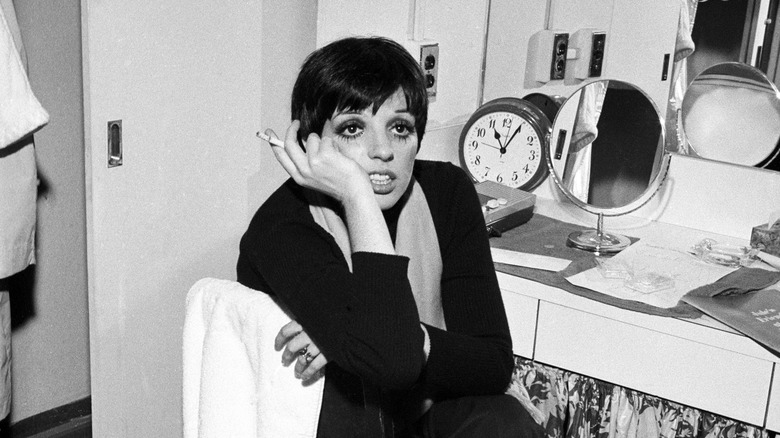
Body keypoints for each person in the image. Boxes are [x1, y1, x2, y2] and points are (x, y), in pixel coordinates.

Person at [237, 36, 544, 438]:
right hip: (335, 427)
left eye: (399, 128)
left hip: (421, 419)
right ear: (310, 144)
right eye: (352, 128)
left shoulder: (446, 193)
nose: (382, 150)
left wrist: (376, 336)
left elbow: (492, 363)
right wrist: (356, 194)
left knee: (503, 422)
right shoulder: (280, 228)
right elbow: (393, 359)